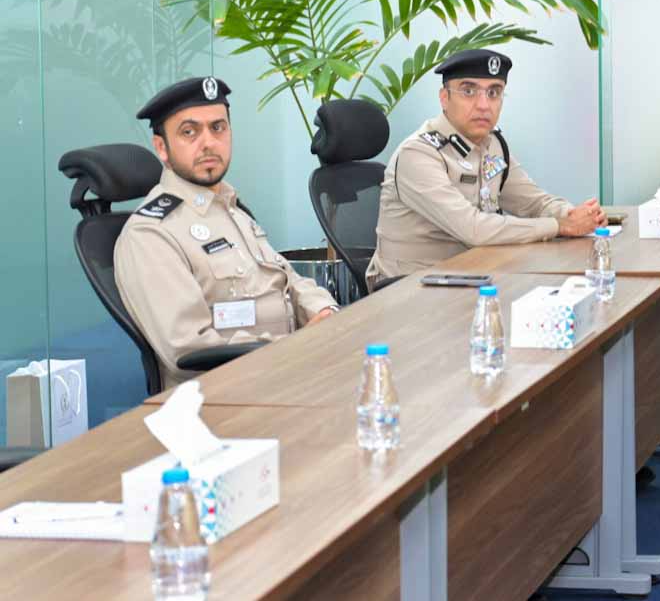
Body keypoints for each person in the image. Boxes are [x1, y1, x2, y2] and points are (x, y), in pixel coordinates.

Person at [115, 76, 338, 389]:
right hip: (227, 398)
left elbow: (287, 280)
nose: (208, 142)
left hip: (286, 375)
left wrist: (325, 312)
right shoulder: (150, 233)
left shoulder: (229, 208)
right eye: (189, 132)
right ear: (161, 148)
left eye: (217, 128)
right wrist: (294, 351)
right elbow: (189, 349)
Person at [369, 49, 605, 286]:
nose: (483, 105)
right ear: (444, 97)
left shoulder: (493, 145)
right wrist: (560, 226)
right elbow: (474, 229)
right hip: (410, 288)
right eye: (468, 91)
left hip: (474, 276)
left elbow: (533, 202)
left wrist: (574, 215)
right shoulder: (419, 154)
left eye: (493, 92)